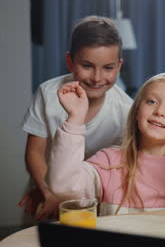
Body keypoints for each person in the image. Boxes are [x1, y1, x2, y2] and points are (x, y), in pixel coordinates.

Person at [47, 73, 165, 215]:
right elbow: (64, 187)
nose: (159, 111)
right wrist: (75, 120)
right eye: (151, 101)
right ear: (136, 112)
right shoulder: (107, 161)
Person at [19, 16, 133, 219]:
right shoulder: (48, 94)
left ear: (119, 66)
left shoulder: (125, 110)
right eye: (87, 66)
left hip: (96, 197)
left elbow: (115, 170)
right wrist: (48, 193)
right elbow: (35, 153)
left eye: (108, 67)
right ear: (70, 62)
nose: (97, 78)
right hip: (45, 190)